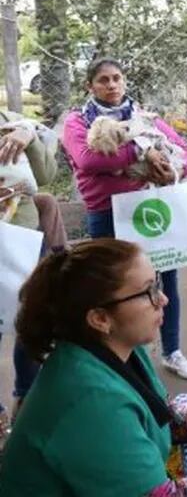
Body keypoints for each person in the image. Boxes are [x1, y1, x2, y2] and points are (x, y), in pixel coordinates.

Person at [0, 239, 187, 495]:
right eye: (148, 292)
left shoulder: (120, 349)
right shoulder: (89, 400)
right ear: (100, 318)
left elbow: (166, 416)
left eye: (158, 285)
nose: (163, 299)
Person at [62, 58, 187, 380]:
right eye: (103, 80)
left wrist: (171, 167)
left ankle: (172, 351)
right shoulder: (77, 121)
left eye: (117, 78)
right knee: (113, 288)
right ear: (90, 86)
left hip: (147, 208)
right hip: (107, 213)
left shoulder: (142, 118)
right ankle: (119, 359)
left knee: (165, 280)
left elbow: (183, 151)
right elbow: (87, 159)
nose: (112, 85)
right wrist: (142, 152)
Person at [0, 110, 58, 431]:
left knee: (27, 323)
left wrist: (29, 137)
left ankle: (27, 399)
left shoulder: (13, 121)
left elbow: (46, 175)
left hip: (22, 239)